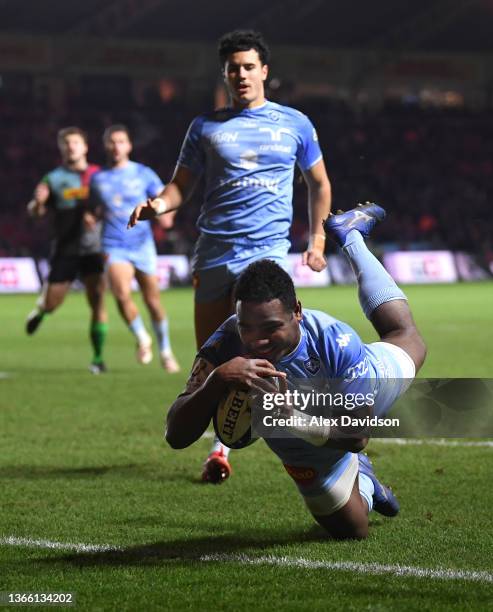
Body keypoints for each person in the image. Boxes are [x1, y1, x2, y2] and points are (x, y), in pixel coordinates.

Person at [128, 29, 332, 480]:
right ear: (224, 74)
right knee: (214, 361)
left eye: (247, 66)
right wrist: (158, 204)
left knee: (281, 356)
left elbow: (318, 183)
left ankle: (304, 450)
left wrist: (316, 242)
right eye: (232, 68)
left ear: (264, 71)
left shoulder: (294, 124)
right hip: (214, 255)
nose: (240, 74)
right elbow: (181, 186)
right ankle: (223, 444)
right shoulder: (204, 127)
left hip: (267, 257)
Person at [164, 204, 427, 539]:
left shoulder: (335, 339)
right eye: (248, 328)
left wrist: (290, 418)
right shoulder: (226, 343)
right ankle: (366, 482)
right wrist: (217, 381)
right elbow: (175, 435)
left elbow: (358, 436)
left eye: (271, 327)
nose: (257, 340)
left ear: (297, 312)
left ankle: (352, 237)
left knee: (408, 340)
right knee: (352, 531)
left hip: (349, 402)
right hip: (300, 447)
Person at [90, 125, 179, 372]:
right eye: (111, 142)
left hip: (142, 246)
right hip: (113, 244)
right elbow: (94, 208)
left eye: (121, 141)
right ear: (106, 146)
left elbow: (166, 197)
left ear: (128, 146)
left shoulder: (143, 173)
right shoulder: (98, 178)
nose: (116, 146)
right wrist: (91, 217)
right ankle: (142, 337)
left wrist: (166, 216)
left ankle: (165, 350)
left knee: (153, 302)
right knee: (120, 293)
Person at [25, 126, 108, 374]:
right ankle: (42, 310)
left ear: (85, 147)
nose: (70, 147)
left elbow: (112, 205)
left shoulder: (99, 175)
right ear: (61, 149)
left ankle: (97, 358)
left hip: (95, 248)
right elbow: (35, 212)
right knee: (52, 303)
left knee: (97, 301)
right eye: (66, 143)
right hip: (66, 248)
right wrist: (38, 203)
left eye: (75, 143)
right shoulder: (53, 178)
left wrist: (98, 215)